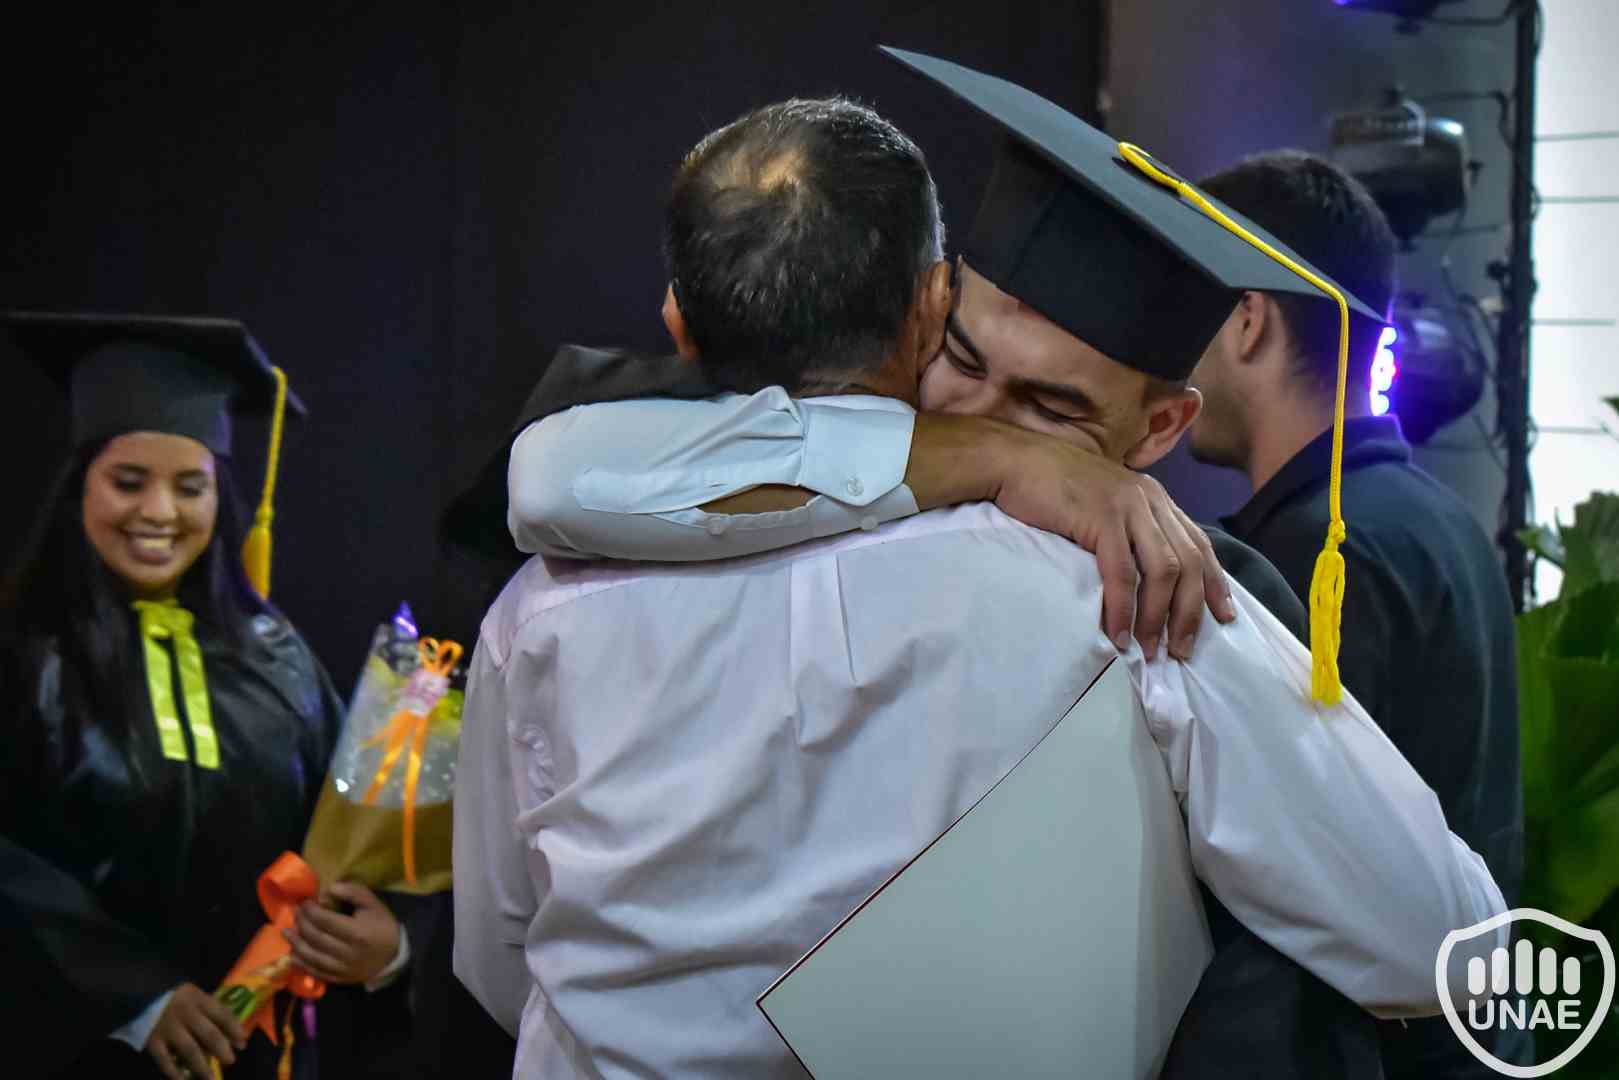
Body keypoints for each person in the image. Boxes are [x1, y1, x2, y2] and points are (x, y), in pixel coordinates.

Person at [453, 56, 1504, 1079]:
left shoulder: (1149, 594)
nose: (989, 429)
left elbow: (504, 967)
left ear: (1159, 428)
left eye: (1050, 410)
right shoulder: (606, 527)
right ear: (926, 311)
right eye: (961, 363)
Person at [1186, 149, 1526, 1078]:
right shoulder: (1436, 518)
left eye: (1187, 303)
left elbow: (1296, 896)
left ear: (1247, 319)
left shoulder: (1320, 557)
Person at [0, 314, 408, 1080]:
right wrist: (135, 995)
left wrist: (387, 941)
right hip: (79, 1051)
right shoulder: (24, 655)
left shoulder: (275, 657)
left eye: (190, 487)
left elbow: (350, 832)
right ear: (78, 485)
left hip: (259, 1051)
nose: (159, 512)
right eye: (128, 482)